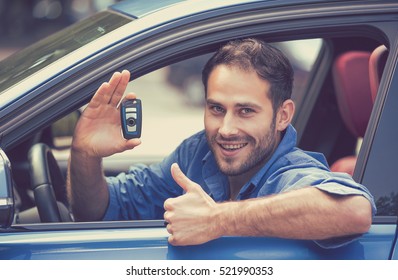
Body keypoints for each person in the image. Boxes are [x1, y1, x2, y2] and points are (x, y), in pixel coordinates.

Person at [67, 38, 376, 248]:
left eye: (246, 111)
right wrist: (85, 153)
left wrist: (217, 220)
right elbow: (101, 211)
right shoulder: (197, 152)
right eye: (216, 108)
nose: (226, 129)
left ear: (283, 116)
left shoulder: (291, 171)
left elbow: (354, 211)